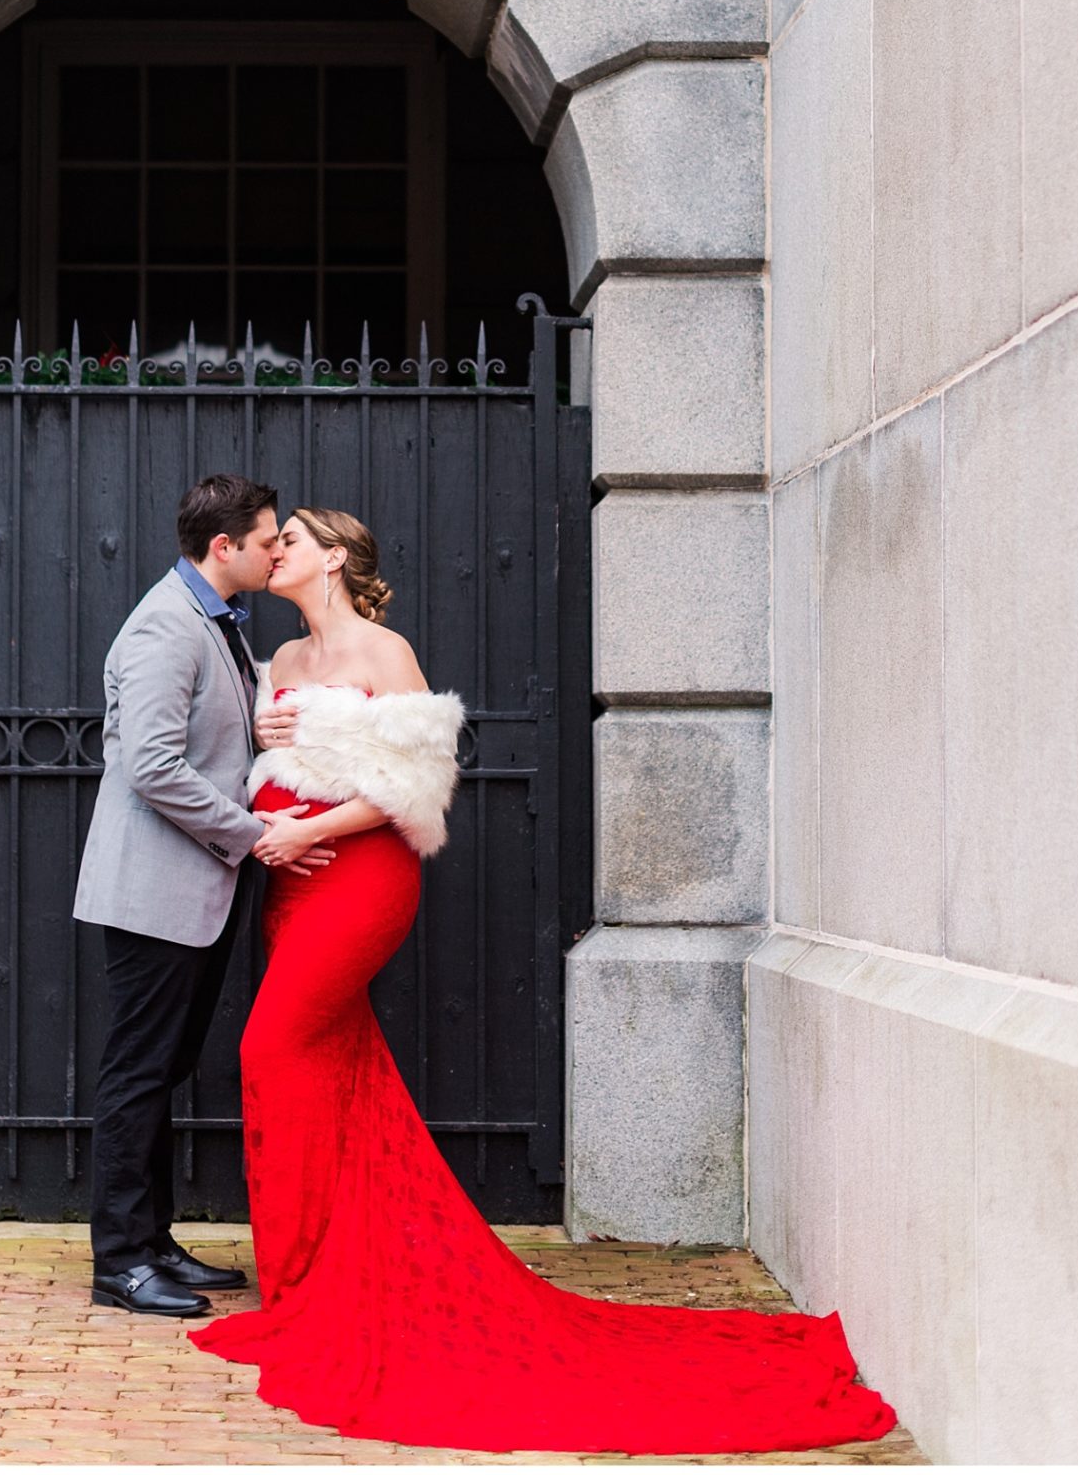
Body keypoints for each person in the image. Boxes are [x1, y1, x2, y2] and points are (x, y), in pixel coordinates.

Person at [189, 505, 899, 1456]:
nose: (274, 550)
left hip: (357, 882)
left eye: (292, 540)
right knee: (334, 1070)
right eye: (274, 541)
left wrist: (305, 829)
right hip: (291, 885)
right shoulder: (281, 658)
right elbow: (275, 759)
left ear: (335, 560)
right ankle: (312, 1283)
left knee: (270, 1049)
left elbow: (415, 785)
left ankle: (314, 1288)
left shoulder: (385, 654)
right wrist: (268, 777)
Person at [73, 472, 336, 1319]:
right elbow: (151, 767)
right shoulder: (166, 624)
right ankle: (121, 1261)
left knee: (163, 1067)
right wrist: (251, 832)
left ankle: (151, 1243)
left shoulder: (212, 620)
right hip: (155, 888)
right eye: (264, 542)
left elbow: (198, 737)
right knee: (139, 1070)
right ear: (222, 547)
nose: (274, 554)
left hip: (191, 888)